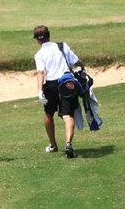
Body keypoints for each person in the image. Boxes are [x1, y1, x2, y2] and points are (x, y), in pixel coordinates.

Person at [34, 25, 85, 158]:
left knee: (48, 113)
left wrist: (39, 91)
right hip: (66, 83)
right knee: (68, 116)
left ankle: (53, 145)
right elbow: (76, 61)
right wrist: (82, 66)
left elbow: (40, 72)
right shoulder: (62, 46)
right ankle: (68, 143)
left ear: (37, 40)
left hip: (50, 85)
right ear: (49, 35)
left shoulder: (39, 54)